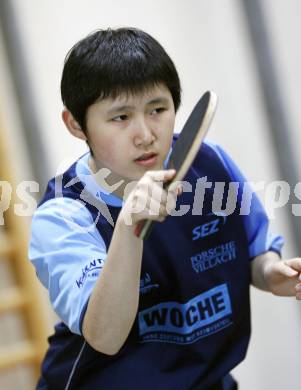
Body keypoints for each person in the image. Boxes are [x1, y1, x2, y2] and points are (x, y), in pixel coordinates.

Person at [29, 27, 301, 389]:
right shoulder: (64, 215)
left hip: (206, 380)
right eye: (120, 118)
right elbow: (105, 336)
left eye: (158, 109)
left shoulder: (210, 163)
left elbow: (255, 251)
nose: (145, 133)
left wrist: (271, 273)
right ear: (76, 124)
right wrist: (129, 227)